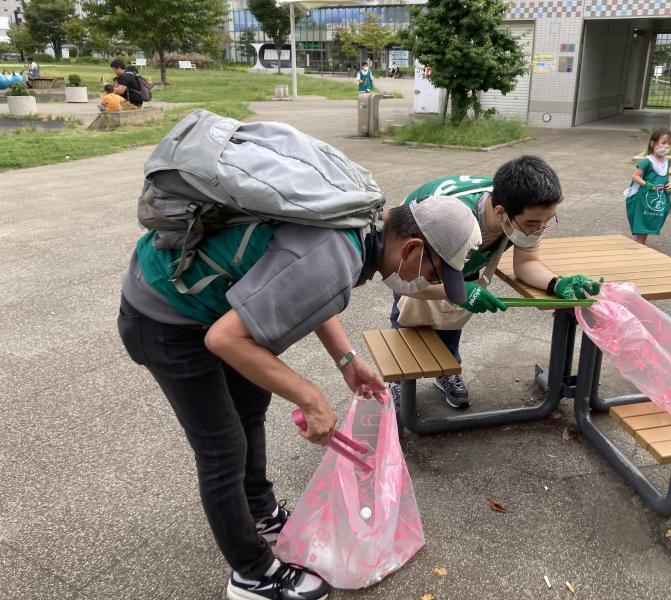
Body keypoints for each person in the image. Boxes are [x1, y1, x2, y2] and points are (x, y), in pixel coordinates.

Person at [118, 192, 481, 600]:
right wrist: (309, 397)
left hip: (210, 306)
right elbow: (224, 339)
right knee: (222, 447)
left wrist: (347, 359)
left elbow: (307, 288)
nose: (428, 284)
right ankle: (252, 574)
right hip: (166, 316)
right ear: (413, 247)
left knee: (252, 405)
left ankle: (258, 511)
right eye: (433, 273)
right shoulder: (341, 253)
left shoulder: (364, 222)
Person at [388, 157, 603, 409]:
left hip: (462, 249)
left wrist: (557, 284)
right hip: (415, 248)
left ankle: (446, 369)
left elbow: (526, 263)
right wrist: (456, 291)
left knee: (452, 315)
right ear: (501, 212)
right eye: (533, 224)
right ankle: (399, 378)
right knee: (408, 317)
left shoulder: (522, 211)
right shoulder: (449, 218)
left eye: (548, 220)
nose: (540, 229)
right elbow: (404, 280)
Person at [624, 128, 671, 246]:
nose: (666, 146)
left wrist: (670, 184)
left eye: (670, 143)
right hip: (643, 197)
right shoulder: (647, 161)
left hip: (658, 197)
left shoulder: (667, 161)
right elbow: (635, 176)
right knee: (643, 221)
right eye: (663, 142)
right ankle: (640, 244)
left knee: (651, 220)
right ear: (652, 144)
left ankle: (639, 242)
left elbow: (666, 176)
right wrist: (646, 184)